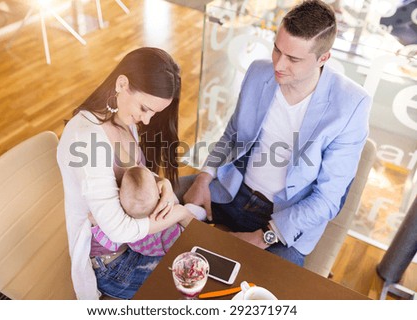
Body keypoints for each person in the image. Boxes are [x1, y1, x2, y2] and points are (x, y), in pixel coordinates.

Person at [183, 0, 371, 267]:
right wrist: (204, 177)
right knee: (163, 208)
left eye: (293, 58)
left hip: (288, 219)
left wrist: (266, 236)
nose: (278, 64)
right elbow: (232, 135)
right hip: (233, 189)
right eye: (276, 49)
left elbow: (328, 199)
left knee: (263, 291)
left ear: (323, 58)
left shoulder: (351, 105)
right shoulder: (258, 72)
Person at [57, 47, 194, 299]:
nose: (147, 120)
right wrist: (179, 213)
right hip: (113, 263)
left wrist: (159, 181)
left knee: (197, 266)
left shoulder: (121, 118)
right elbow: (119, 230)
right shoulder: (87, 140)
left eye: (154, 112)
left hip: (136, 242)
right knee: (187, 290)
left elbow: (130, 178)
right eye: (145, 108)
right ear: (122, 84)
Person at [91, 166, 206, 256]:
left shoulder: (125, 229)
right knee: (192, 211)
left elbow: (112, 244)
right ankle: (201, 213)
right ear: (158, 192)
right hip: (176, 241)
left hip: (150, 253)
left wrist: (97, 225)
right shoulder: (166, 215)